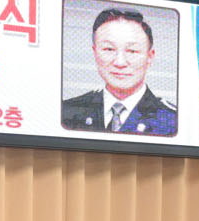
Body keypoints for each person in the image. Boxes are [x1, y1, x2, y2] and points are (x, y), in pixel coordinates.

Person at [60, 7, 177, 136]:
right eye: (109, 49)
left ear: (150, 57)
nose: (120, 63)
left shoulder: (172, 120)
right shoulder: (67, 111)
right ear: (95, 52)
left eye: (132, 51)